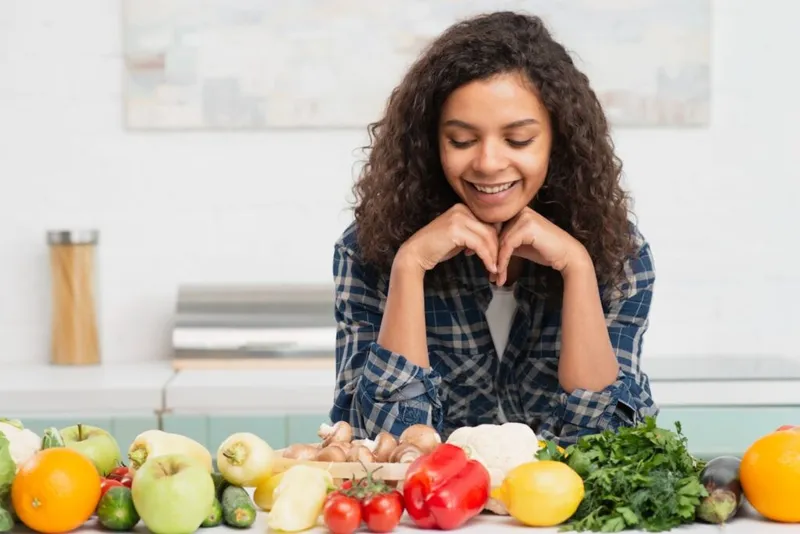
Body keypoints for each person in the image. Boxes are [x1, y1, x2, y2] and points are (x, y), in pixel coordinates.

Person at [329, 10, 659, 447]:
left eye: (518, 140)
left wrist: (577, 268)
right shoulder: (368, 249)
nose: (487, 163)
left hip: (556, 515)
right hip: (435, 513)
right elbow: (380, 447)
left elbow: (612, 448)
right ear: (432, 143)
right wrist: (409, 266)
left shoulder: (620, 255)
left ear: (557, 141)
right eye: (462, 141)